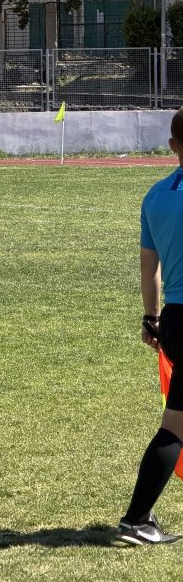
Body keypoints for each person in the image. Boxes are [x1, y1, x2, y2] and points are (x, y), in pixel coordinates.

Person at [117, 107, 183, 545]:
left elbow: (149, 268)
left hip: (176, 319)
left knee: (176, 423)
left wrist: (151, 317)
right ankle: (137, 519)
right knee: (175, 426)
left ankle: (138, 519)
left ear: (173, 146)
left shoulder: (156, 196)